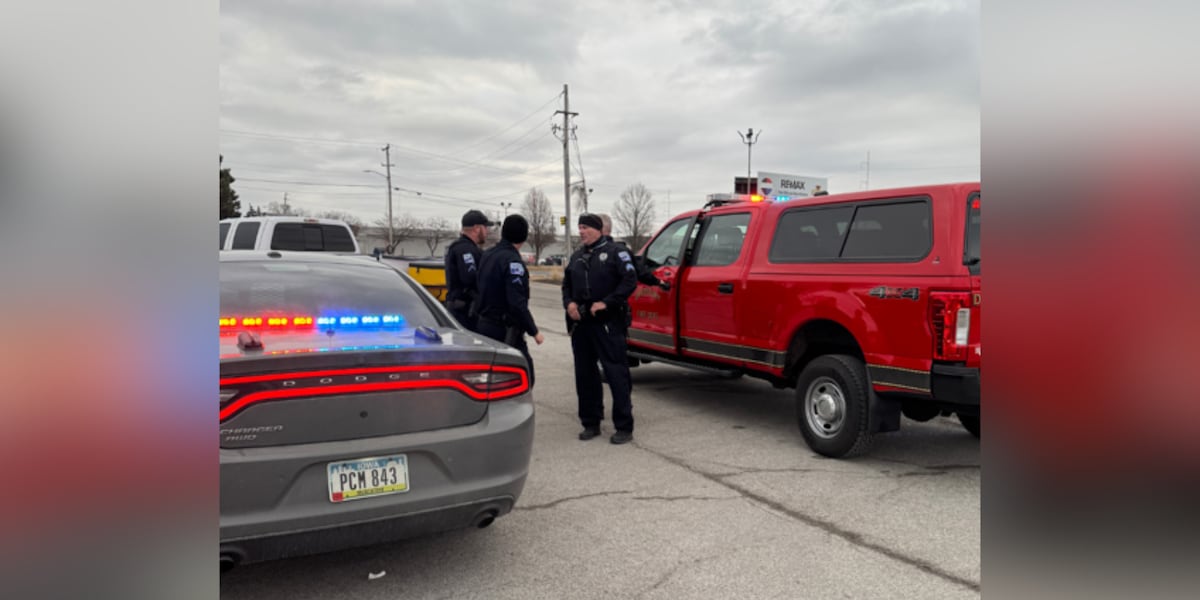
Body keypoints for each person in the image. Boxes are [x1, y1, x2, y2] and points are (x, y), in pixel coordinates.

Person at [562, 213, 639, 444]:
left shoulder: (616, 252)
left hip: (607, 323)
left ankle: (624, 425)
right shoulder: (576, 257)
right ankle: (590, 421)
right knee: (585, 374)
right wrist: (569, 304)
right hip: (582, 325)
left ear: (597, 229)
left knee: (616, 373)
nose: (581, 231)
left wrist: (608, 302)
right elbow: (566, 286)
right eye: (579, 227)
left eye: (585, 227)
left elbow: (630, 280)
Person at [475, 214, 545, 385]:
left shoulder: (487, 255)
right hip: (504, 331)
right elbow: (516, 302)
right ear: (523, 236)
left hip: (483, 326)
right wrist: (534, 331)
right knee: (523, 377)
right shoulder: (512, 262)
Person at [444, 209, 495, 332]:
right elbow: (470, 278)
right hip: (464, 313)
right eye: (485, 227)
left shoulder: (464, 248)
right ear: (477, 228)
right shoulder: (465, 249)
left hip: (463, 311)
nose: (487, 232)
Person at [598, 213, 670, 291]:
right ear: (610, 229)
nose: (582, 231)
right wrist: (659, 282)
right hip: (611, 300)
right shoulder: (621, 251)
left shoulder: (585, 252)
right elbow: (639, 272)